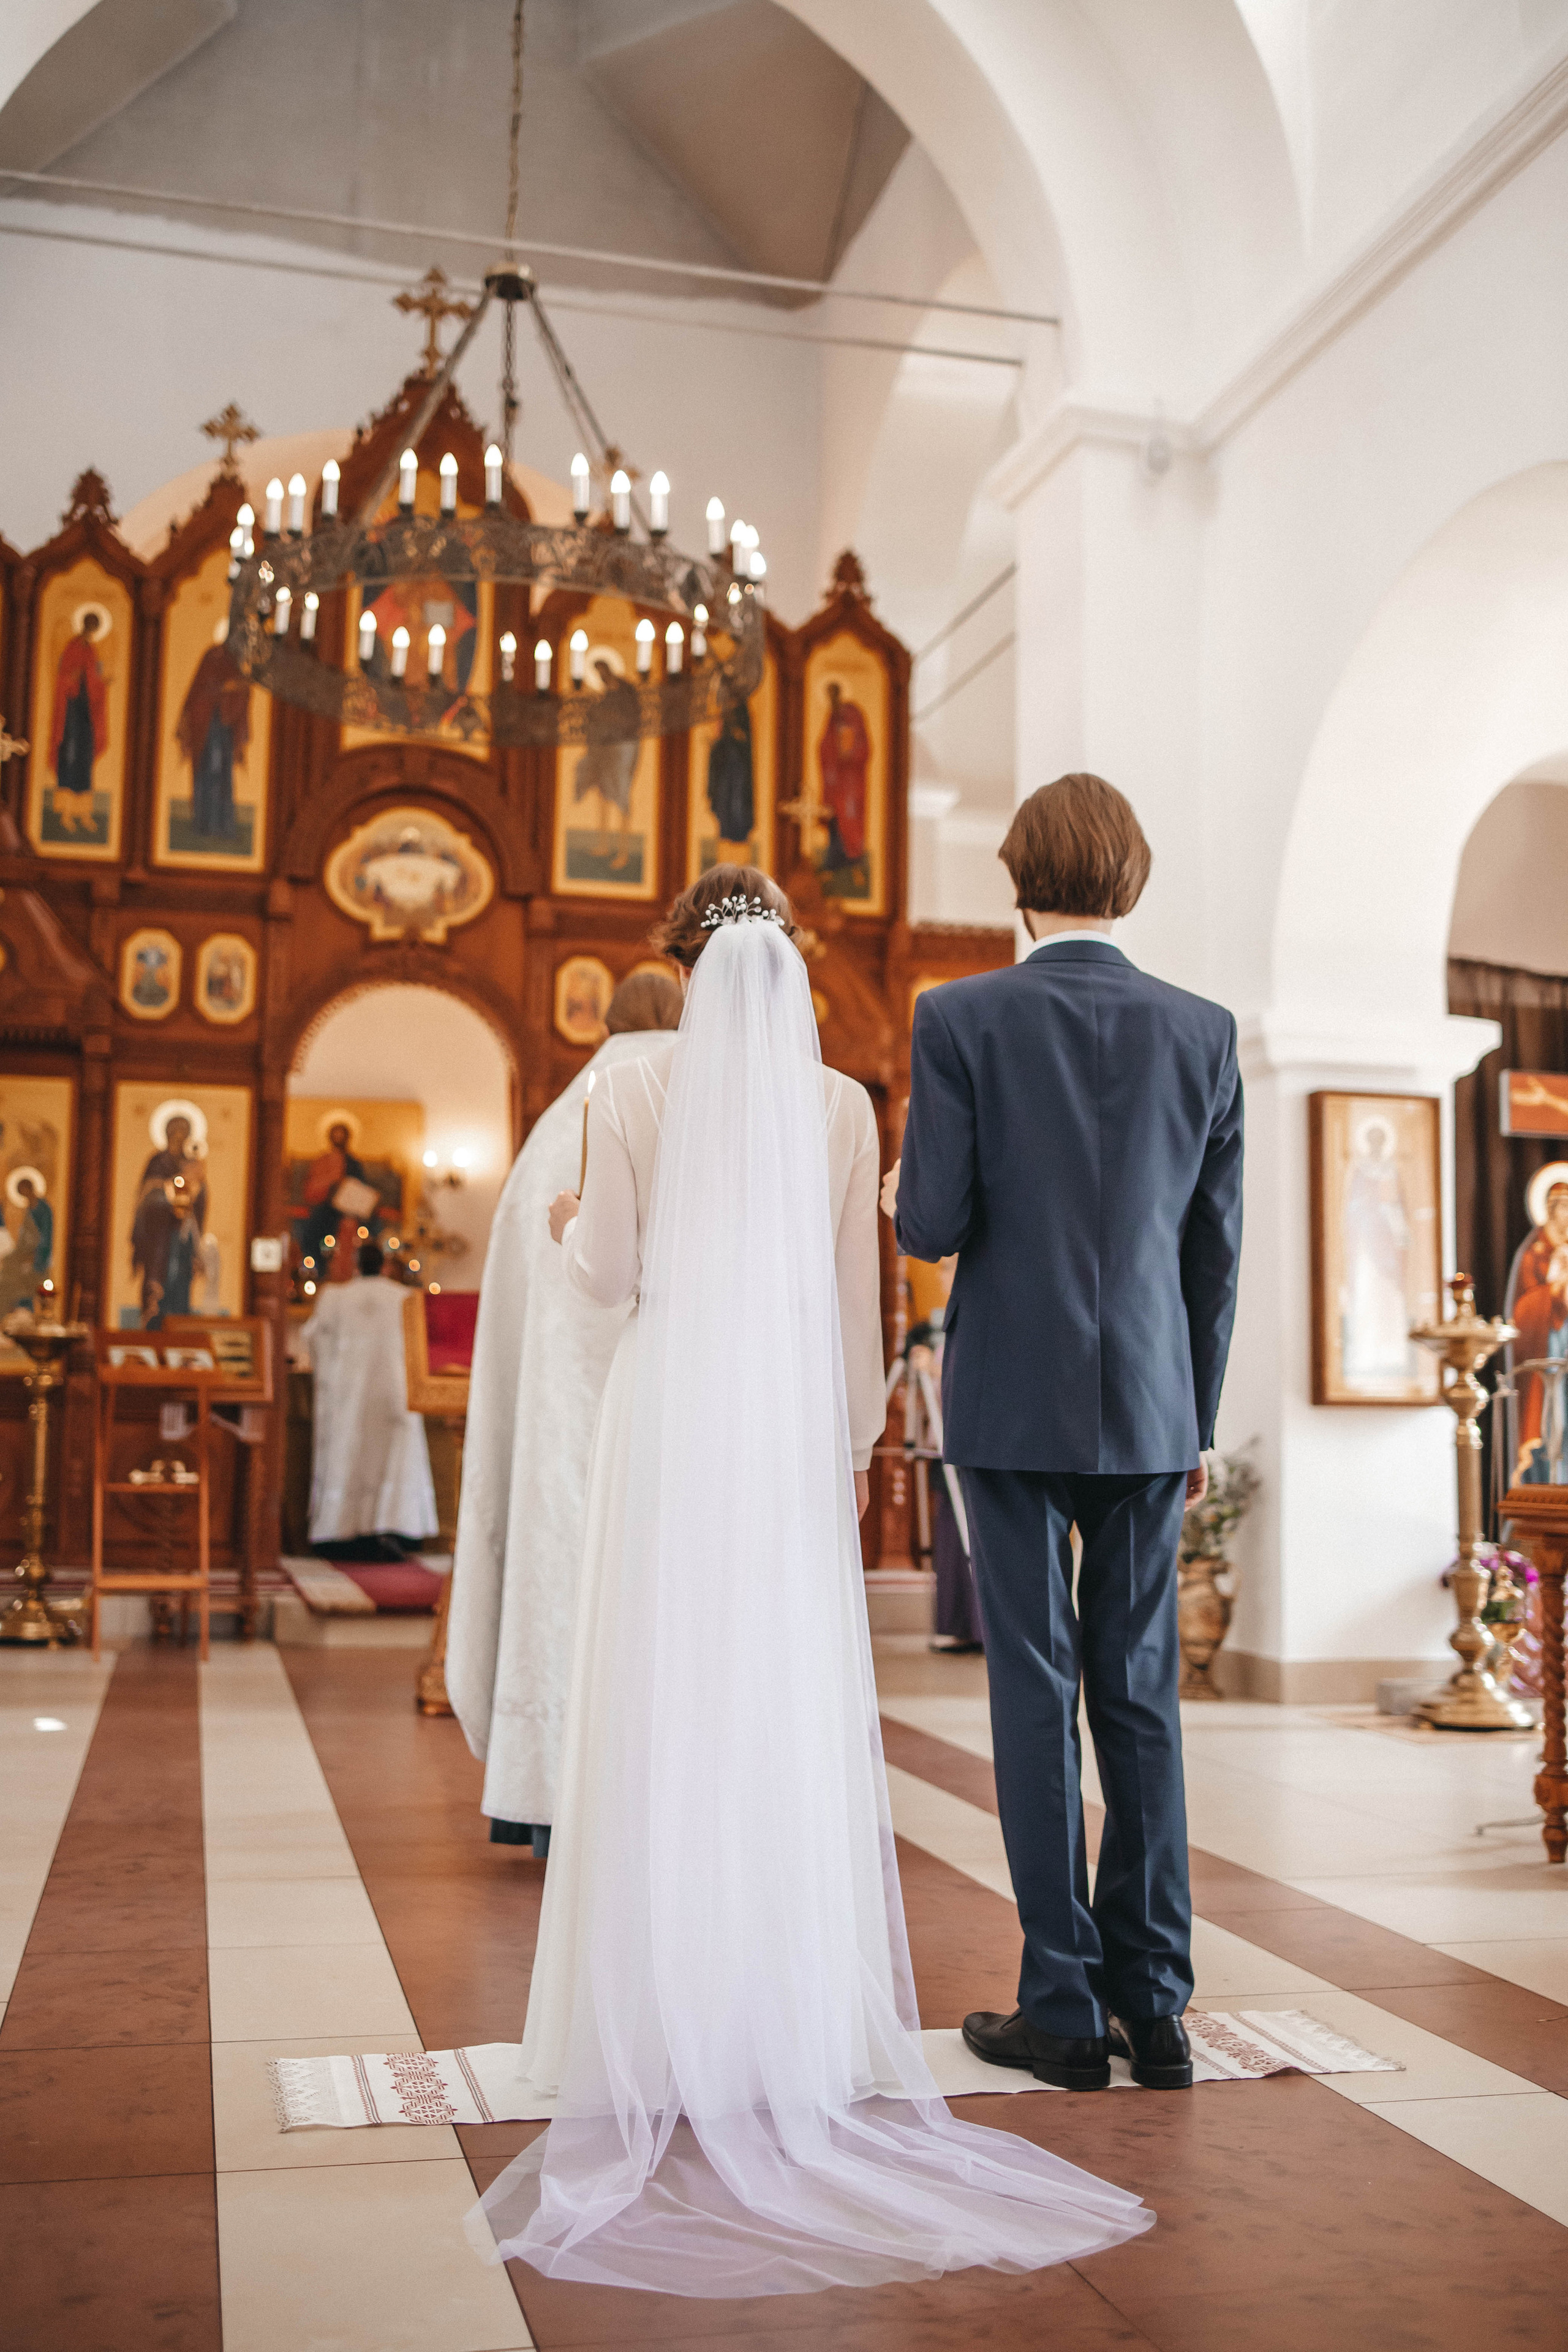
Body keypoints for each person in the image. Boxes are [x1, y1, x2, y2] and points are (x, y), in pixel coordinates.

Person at [469, 864, 1150, 2296]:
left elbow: (600, 1274)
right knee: (773, 1699)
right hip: (781, 1422)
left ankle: (647, 2014)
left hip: (667, 1415)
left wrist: (565, 1236)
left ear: (679, 960)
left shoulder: (626, 1085)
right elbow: (861, 1302)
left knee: (658, 1686)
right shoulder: (840, 1106)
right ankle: (779, 2007)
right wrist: (846, 1443)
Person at [886, 772, 1243, 2095]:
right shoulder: (1200, 1032)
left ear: (1018, 879)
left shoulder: (961, 1016)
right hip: (1151, 1407)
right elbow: (1215, 1255)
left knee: (1032, 1693)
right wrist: (1189, 1412)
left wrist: (898, 1193)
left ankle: (1058, 2005)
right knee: (1138, 1695)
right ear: (1129, 881)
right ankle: (1156, 2009)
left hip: (1009, 1403)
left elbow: (929, 1226)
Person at [447, 968, 684, 1858]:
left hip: (557, 1412)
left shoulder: (558, 1119)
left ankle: (543, 1793)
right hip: (665, 1401)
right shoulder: (690, 1100)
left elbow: (512, 1286)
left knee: (562, 1574)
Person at [299, 1240, 438, 1555]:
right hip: (395, 1394)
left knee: (350, 1454)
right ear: (385, 1265)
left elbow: (315, 1337)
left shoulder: (335, 1297)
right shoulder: (405, 1296)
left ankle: (343, 1528)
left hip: (350, 1394)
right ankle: (393, 1527)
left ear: (357, 1263)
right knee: (393, 1459)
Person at [131, 1113, 207, 1328]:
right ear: (167, 1134)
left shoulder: (190, 1163)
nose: (179, 1138)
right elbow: (146, 1198)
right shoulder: (158, 1162)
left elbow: (200, 1199)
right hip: (160, 1240)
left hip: (183, 1240)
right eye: (175, 1133)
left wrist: (197, 1186)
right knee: (159, 1286)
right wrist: (171, 1189)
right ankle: (154, 1324)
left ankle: (179, 1322)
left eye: (184, 1133)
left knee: (181, 1284)